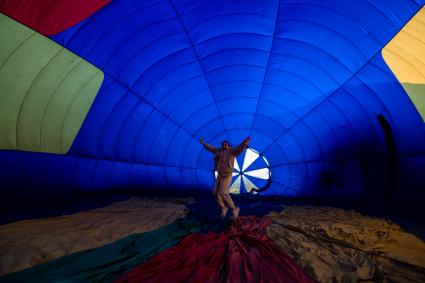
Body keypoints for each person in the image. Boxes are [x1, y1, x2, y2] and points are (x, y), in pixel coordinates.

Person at [200, 137, 251, 219]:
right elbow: (210, 148)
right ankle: (223, 207)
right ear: (221, 145)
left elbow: (240, 147)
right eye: (223, 143)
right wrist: (203, 143)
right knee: (216, 193)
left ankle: (234, 209)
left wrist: (245, 142)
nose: (225, 144)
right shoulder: (218, 151)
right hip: (220, 174)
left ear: (228, 145)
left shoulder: (232, 151)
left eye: (226, 143)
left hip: (227, 175)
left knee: (223, 192)